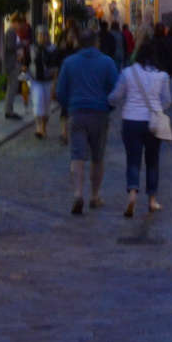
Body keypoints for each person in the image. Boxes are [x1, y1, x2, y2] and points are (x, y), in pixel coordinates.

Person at [53, 27, 120, 215]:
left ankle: (78, 193)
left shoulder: (69, 62)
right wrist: (108, 107)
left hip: (77, 113)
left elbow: (60, 92)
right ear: (96, 43)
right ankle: (95, 195)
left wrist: (70, 106)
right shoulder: (107, 62)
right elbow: (115, 91)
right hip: (99, 114)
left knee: (77, 156)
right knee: (97, 158)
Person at [110, 40, 172, 218]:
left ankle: (132, 194)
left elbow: (117, 95)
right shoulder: (162, 76)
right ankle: (152, 200)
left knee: (133, 160)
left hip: (131, 119)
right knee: (152, 160)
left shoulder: (128, 73)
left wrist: (109, 100)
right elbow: (167, 100)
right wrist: (156, 109)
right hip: (152, 123)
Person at [1, 13, 27, 119]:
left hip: (12, 63)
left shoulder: (12, 32)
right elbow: (10, 47)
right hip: (11, 64)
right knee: (12, 88)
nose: (20, 27)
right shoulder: (11, 32)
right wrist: (22, 44)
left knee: (12, 88)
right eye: (20, 24)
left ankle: (9, 109)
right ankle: (9, 111)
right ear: (15, 23)